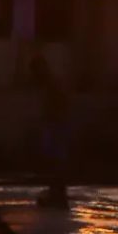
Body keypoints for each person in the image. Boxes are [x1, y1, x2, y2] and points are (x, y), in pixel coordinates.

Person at [29, 51, 71, 209]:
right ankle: (57, 195)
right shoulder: (51, 84)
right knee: (54, 164)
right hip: (55, 126)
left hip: (57, 126)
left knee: (56, 164)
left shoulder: (53, 84)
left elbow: (60, 106)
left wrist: (50, 121)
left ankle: (58, 197)